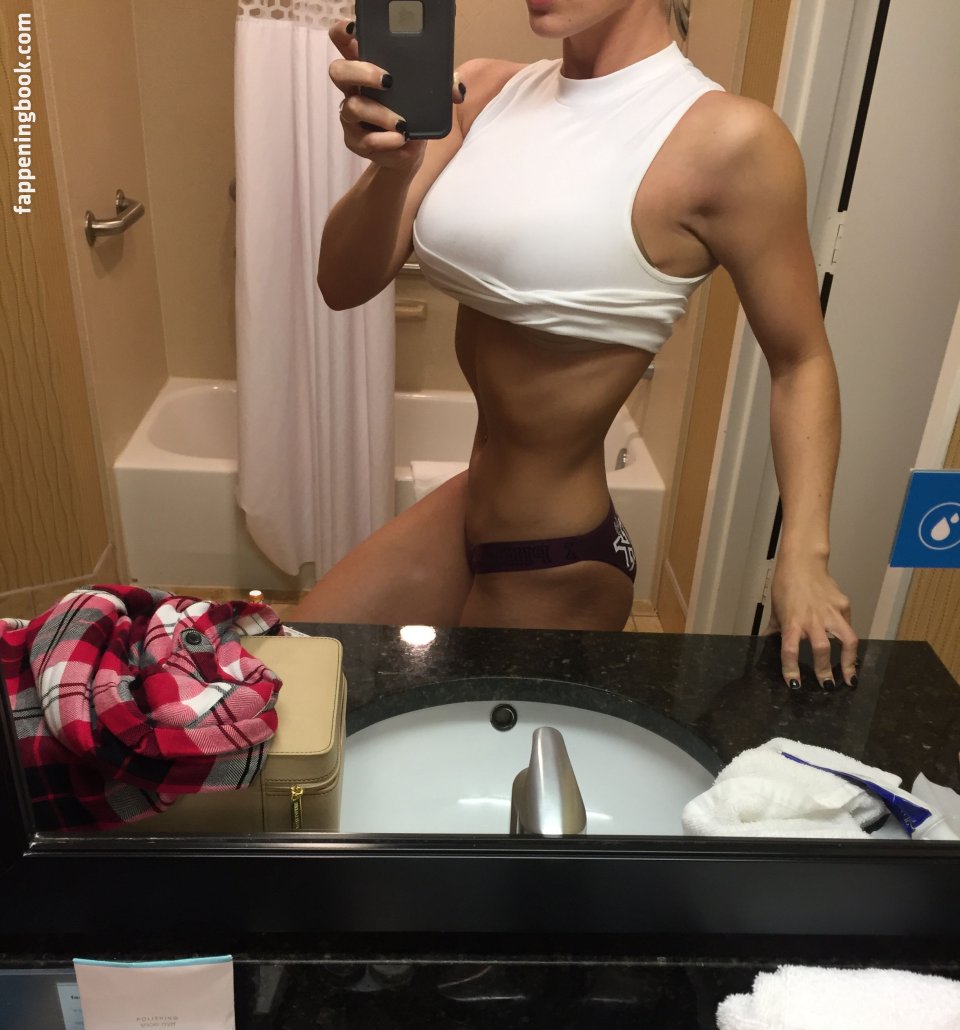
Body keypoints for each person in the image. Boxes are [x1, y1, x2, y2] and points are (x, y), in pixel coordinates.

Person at [292, 0, 859, 691]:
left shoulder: (731, 140)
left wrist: (804, 553)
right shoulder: (483, 92)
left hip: (556, 559)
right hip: (467, 507)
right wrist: (393, 169)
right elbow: (341, 283)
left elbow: (801, 360)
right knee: (289, 677)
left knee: (455, 755)